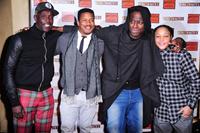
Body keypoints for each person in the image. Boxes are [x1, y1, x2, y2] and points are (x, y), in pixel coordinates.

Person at [55, 5, 164, 133]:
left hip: (138, 92)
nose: (135, 25)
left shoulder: (149, 38)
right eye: (132, 21)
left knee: (135, 129)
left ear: (146, 24)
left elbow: (165, 38)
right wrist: (54, 28)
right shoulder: (113, 33)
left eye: (140, 22)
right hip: (116, 92)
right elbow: (87, 29)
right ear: (127, 21)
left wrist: (179, 41)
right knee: (114, 129)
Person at [3, 2, 61, 132]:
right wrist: (14, 102)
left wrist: (57, 28)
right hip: (24, 95)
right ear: (35, 18)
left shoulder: (54, 36)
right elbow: (7, 70)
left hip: (46, 94)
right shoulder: (19, 39)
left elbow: (76, 30)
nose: (48, 20)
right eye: (44, 16)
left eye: (51, 16)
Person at [56, 8, 104, 133]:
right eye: (84, 20)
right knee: (66, 129)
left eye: (91, 20)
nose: (88, 23)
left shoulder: (100, 41)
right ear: (77, 22)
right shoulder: (64, 39)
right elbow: (44, 47)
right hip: (69, 93)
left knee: (86, 129)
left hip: (90, 95)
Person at [153, 25, 200, 133]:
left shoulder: (181, 55)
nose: (161, 40)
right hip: (160, 111)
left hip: (181, 110)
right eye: (158, 36)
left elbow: (196, 80)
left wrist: (190, 106)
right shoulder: (151, 55)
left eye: (165, 36)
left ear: (171, 38)